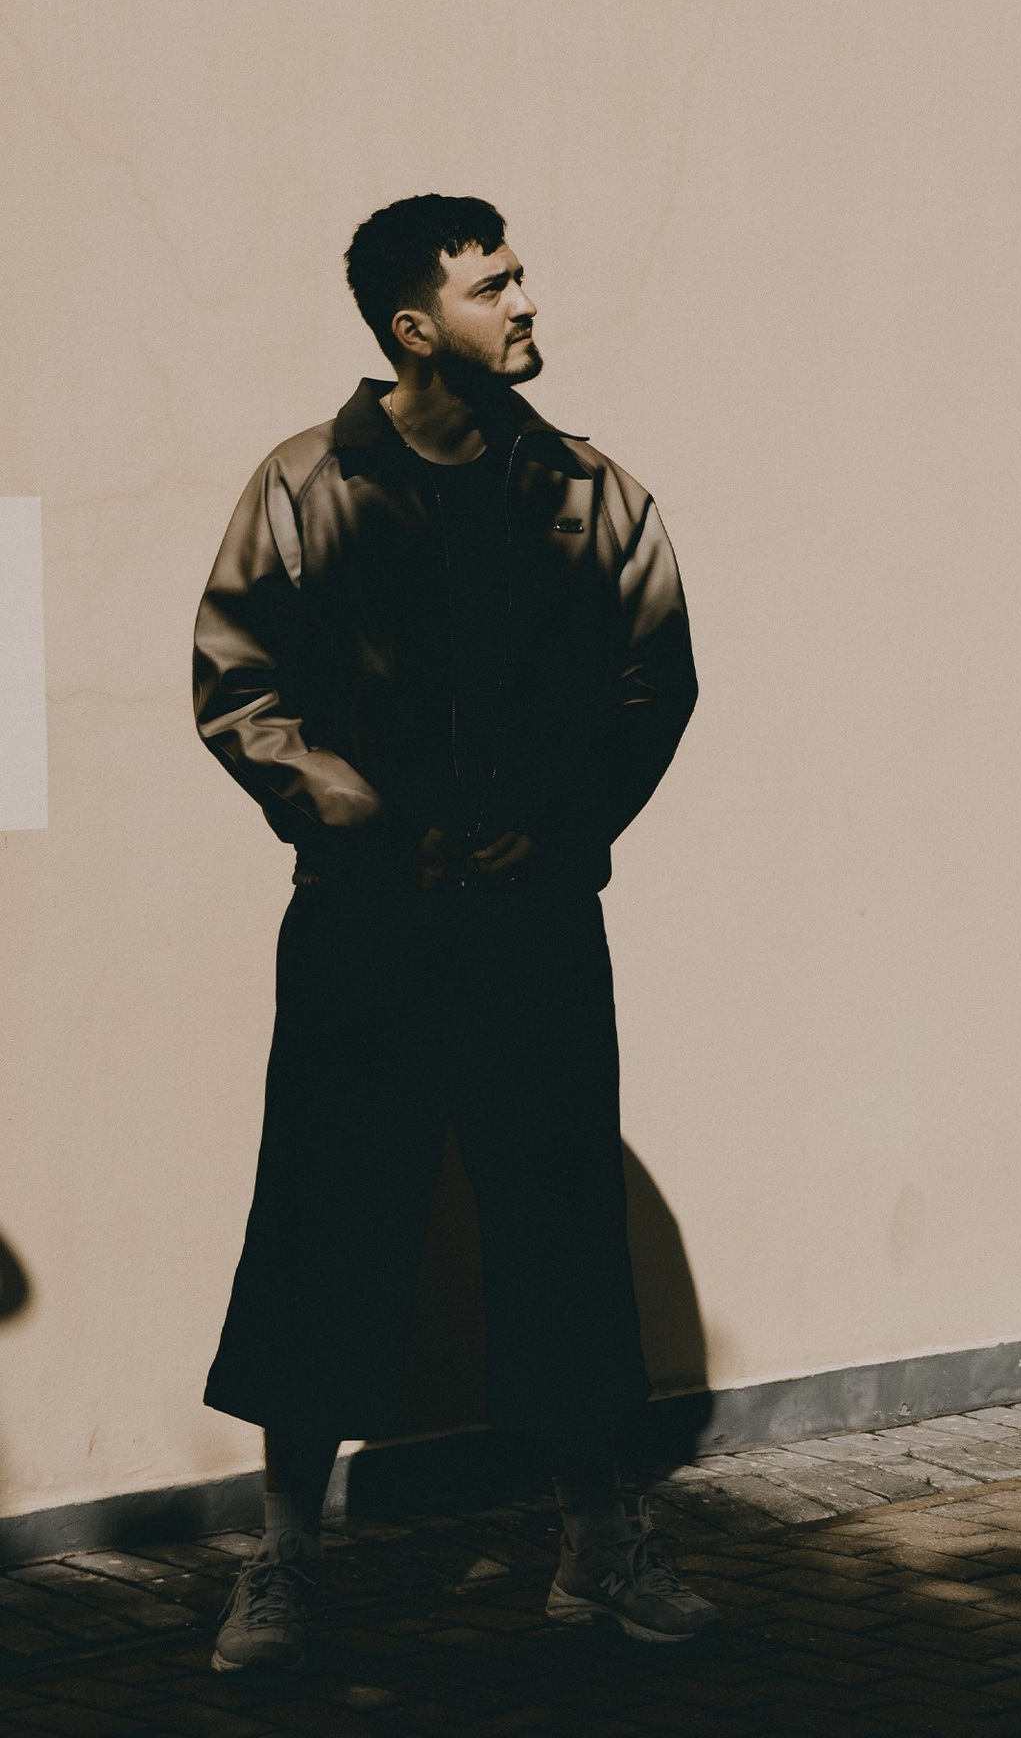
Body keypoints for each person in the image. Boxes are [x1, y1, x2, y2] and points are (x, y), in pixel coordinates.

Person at [192, 193, 711, 1674]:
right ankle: (284, 1565)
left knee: (563, 1228)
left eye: (522, 275)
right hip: (365, 926)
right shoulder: (307, 484)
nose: (527, 301)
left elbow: (654, 681)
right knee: (324, 1221)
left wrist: (564, 826)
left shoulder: (590, 492)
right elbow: (239, 686)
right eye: (495, 286)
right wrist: (366, 821)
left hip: (536, 924)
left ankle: (595, 1549)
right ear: (415, 327)